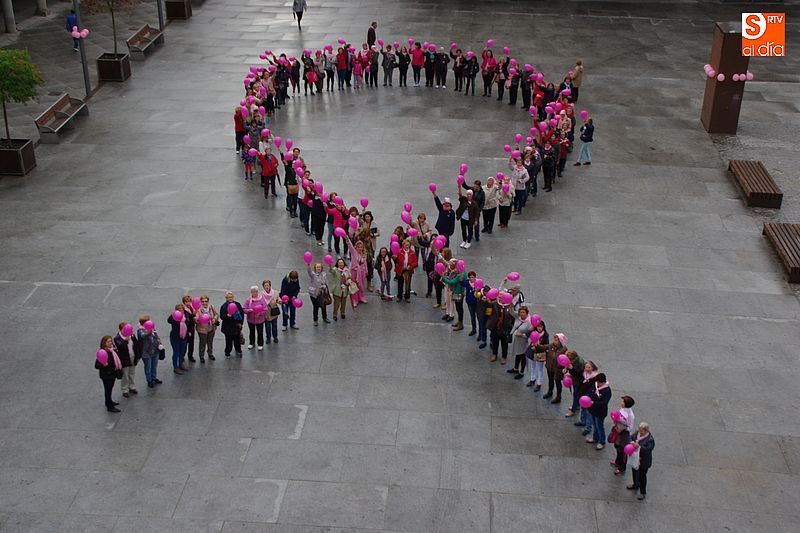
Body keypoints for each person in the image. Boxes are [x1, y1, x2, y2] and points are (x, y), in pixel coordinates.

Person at [627, 423, 655, 500]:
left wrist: (639, 446)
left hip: (643, 461)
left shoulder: (650, 440)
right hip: (635, 458)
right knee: (634, 472)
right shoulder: (637, 433)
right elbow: (630, 437)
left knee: (642, 476)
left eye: (641, 430)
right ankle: (635, 485)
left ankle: (643, 492)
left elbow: (648, 450)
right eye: (639, 429)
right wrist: (632, 442)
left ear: (646, 430)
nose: (639, 431)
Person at [95, 336, 122, 412]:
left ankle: (109, 401)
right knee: (108, 390)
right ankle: (109, 406)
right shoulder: (102, 352)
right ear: (104, 343)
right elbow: (96, 365)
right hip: (106, 375)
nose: (110, 343)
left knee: (110, 388)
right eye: (108, 342)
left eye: (110, 341)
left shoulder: (112, 350)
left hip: (112, 373)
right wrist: (103, 365)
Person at [587, 372, 612, 450]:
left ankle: (602, 441)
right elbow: (589, 392)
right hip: (592, 409)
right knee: (595, 425)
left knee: (599, 426)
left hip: (600, 411)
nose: (597, 384)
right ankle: (595, 438)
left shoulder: (607, 390)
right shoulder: (595, 385)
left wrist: (593, 402)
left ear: (603, 382)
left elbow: (604, 403)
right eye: (597, 382)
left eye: (599, 383)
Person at [612, 396, 636, 475]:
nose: (621, 403)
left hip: (624, 434)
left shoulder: (630, 415)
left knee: (622, 451)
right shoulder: (622, 410)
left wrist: (619, 420)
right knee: (617, 447)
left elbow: (629, 426)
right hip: (619, 430)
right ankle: (617, 461)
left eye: (622, 402)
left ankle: (622, 468)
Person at [136, 316, 162, 388]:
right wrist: (149, 332)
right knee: (148, 367)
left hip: (155, 350)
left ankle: (154, 377)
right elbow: (142, 336)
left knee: (154, 365)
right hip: (146, 352)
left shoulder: (152, 328)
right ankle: (149, 380)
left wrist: (159, 342)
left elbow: (156, 336)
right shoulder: (140, 331)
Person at [113, 323, 138, 398]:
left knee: (132, 373)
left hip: (132, 356)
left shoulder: (132, 335)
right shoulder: (117, 338)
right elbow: (120, 347)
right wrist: (126, 341)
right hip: (124, 359)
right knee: (125, 375)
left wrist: (138, 355)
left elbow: (136, 345)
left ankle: (132, 386)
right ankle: (125, 389)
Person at [508, 306, 533, 379]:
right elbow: (511, 312)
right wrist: (511, 306)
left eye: (523, 312)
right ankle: (515, 368)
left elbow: (530, 334)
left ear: (527, 313)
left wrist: (522, 335)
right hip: (516, 341)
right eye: (520, 312)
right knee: (517, 355)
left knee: (522, 357)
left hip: (523, 342)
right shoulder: (518, 317)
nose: (522, 314)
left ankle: (521, 372)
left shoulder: (529, 322)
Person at [542, 332, 568, 403]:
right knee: (550, 380)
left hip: (558, 369)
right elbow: (543, 347)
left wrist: (564, 368)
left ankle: (558, 396)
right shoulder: (551, 346)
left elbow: (566, 360)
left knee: (558, 382)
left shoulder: (564, 349)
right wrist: (536, 345)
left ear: (560, 341)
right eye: (554, 339)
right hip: (550, 367)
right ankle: (550, 392)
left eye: (556, 340)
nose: (554, 341)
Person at [488, 295, 514, 364]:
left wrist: (511, 326)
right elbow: (488, 306)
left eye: (502, 297)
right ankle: (494, 354)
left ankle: (504, 357)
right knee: (495, 342)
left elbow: (513, 317)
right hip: (496, 326)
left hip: (505, 328)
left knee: (504, 343)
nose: (500, 298)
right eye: (499, 297)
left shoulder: (510, 306)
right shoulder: (494, 304)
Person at [243, 286, 268, 350]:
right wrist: (250, 310)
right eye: (253, 292)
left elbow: (265, 309)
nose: (254, 293)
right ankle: (252, 343)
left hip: (259, 320)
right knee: (251, 332)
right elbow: (244, 309)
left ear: (258, 292)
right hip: (250, 319)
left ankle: (260, 344)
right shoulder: (248, 300)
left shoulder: (262, 299)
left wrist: (259, 314)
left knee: (260, 332)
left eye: (256, 291)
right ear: (251, 292)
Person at [220, 291, 244, 357]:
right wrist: (227, 316)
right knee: (228, 341)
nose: (230, 298)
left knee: (237, 340)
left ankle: (238, 350)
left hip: (236, 326)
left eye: (231, 297)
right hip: (228, 327)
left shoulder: (237, 304)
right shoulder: (224, 306)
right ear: (226, 298)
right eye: (228, 297)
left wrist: (241, 323)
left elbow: (241, 314)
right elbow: (222, 316)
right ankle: (227, 352)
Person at [393, 238, 418, 303]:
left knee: (408, 284)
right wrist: (395, 258)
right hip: (400, 270)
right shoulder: (399, 251)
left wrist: (411, 266)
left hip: (408, 270)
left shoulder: (412, 253)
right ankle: (399, 296)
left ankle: (407, 297)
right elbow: (396, 260)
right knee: (400, 284)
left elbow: (415, 262)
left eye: (408, 245)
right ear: (403, 245)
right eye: (405, 245)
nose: (407, 246)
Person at [195, 295, 218, 362]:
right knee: (202, 343)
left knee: (210, 342)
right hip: (202, 329)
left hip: (211, 328)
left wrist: (214, 319)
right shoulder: (198, 309)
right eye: (203, 301)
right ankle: (201, 356)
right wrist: (198, 320)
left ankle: (210, 353)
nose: (205, 303)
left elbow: (216, 314)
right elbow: (195, 319)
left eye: (206, 301)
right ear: (201, 302)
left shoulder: (211, 307)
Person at [167, 304, 189, 374]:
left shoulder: (186, 315)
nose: (181, 311)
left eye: (182, 309)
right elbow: (169, 320)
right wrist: (173, 314)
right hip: (175, 338)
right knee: (176, 352)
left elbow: (189, 323)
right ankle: (175, 367)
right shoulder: (174, 316)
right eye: (179, 310)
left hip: (183, 337)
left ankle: (181, 364)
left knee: (182, 352)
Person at [526, 321, 549, 389]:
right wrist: (530, 329)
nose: (539, 328)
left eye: (541, 326)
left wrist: (538, 347)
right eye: (538, 326)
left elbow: (546, 345)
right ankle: (532, 379)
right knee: (533, 367)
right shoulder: (533, 331)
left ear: (543, 327)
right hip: (532, 353)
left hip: (540, 354)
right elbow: (527, 335)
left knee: (540, 369)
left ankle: (539, 383)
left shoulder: (545, 335)